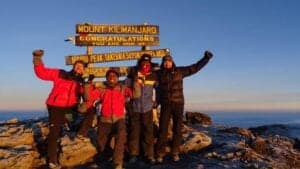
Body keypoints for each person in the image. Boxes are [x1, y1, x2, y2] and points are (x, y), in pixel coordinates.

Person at [155, 51, 213, 163]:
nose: (167, 63)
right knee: (163, 129)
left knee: (177, 128)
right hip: (165, 104)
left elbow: (194, 68)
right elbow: (144, 75)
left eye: (169, 61)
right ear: (163, 63)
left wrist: (205, 59)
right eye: (165, 62)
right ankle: (160, 153)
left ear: (172, 62)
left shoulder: (180, 71)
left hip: (178, 104)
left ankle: (175, 152)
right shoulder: (159, 74)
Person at [32, 49, 85, 168]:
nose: (79, 68)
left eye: (81, 67)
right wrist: (37, 59)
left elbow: (85, 96)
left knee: (71, 122)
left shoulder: (81, 82)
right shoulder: (61, 74)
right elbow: (42, 73)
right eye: (77, 65)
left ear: (83, 70)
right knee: (54, 132)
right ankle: (52, 160)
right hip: (56, 107)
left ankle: (64, 127)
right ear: (74, 66)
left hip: (69, 110)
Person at [85, 69, 132, 169]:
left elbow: (134, 94)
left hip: (119, 118)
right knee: (102, 142)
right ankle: (107, 157)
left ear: (117, 78)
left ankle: (117, 162)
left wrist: (135, 81)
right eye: (109, 75)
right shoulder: (101, 89)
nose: (112, 77)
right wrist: (88, 84)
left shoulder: (122, 88)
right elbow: (89, 97)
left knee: (121, 137)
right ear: (106, 78)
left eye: (114, 76)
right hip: (104, 119)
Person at [126, 54, 157, 164]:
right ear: (140, 64)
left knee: (148, 132)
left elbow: (159, 89)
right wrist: (128, 103)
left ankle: (149, 155)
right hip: (135, 108)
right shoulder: (133, 74)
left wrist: (156, 101)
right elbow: (126, 89)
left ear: (150, 64)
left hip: (148, 108)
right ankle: (133, 154)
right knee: (134, 132)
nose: (145, 66)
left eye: (147, 64)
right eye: (143, 63)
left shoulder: (153, 75)